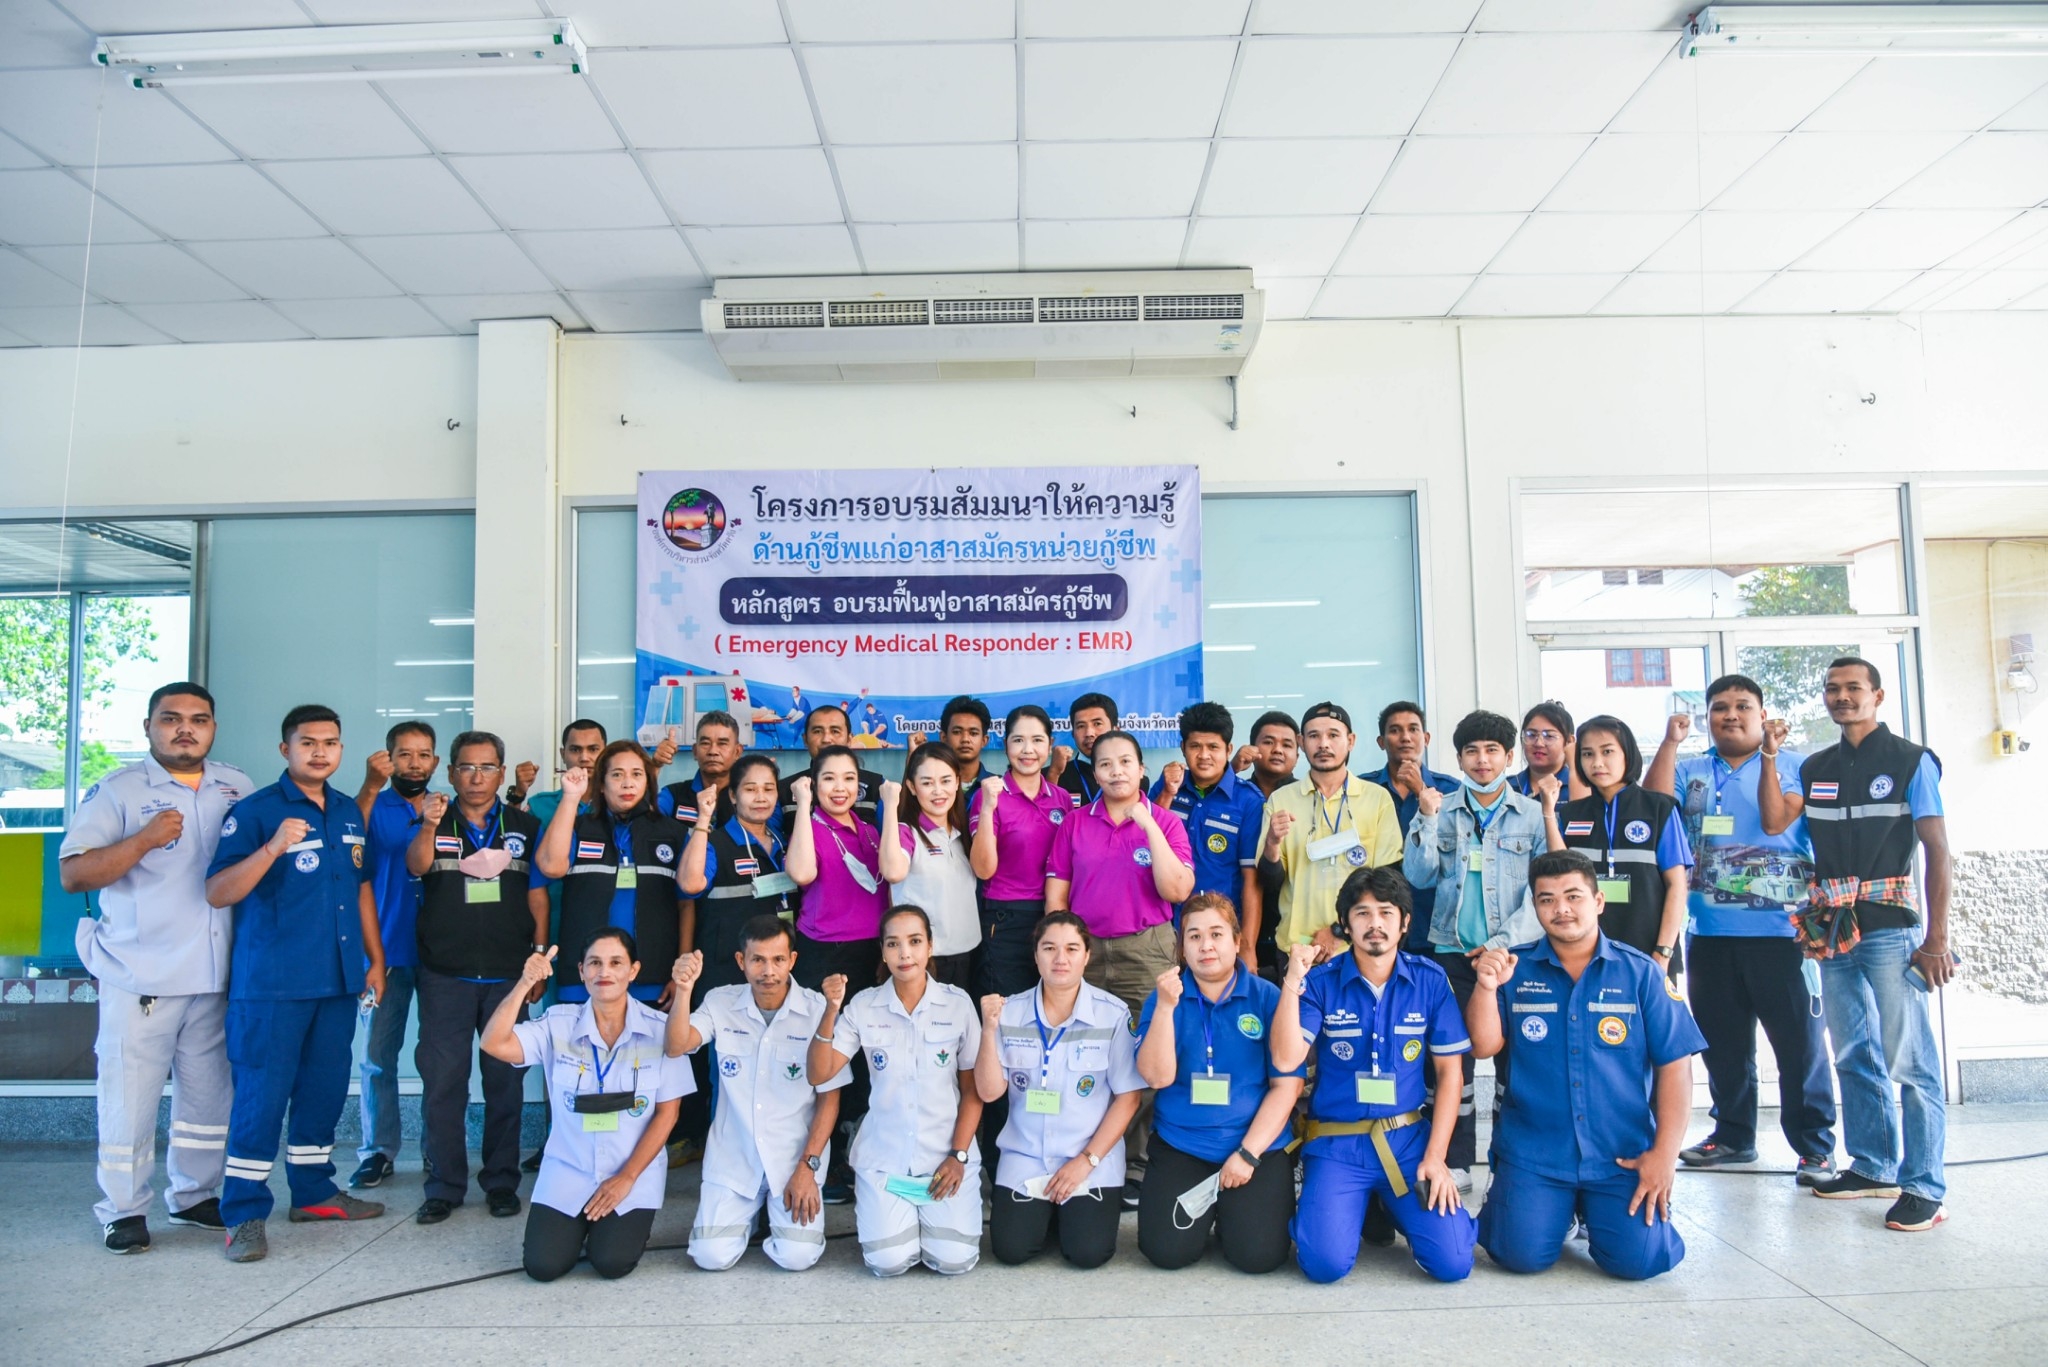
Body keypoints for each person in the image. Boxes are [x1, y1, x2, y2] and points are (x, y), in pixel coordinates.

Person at [61, 682, 252, 1253]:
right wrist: (144, 840)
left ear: (213, 727)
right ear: (149, 726)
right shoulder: (118, 790)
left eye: (199, 718)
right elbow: (75, 874)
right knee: (130, 1099)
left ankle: (194, 1195)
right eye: (171, 719)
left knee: (209, 1098)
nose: (185, 728)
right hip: (140, 974)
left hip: (215, 974)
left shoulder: (235, 786)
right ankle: (122, 1209)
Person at [205, 704, 390, 1262]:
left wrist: (374, 959)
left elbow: (360, 888)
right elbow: (218, 891)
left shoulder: (347, 811)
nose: (319, 752)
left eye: (329, 743)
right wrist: (272, 848)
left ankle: (313, 1193)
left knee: (323, 1092)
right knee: (261, 1100)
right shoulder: (257, 812)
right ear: (285, 749)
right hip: (272, 986)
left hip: (337, 981)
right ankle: (243, 1214)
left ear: (341, 750)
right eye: (307, 742)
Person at [1467, 850, 1705, 1282]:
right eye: (1547, 900)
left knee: (1641, 1261)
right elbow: (1484, 1047)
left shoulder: (1641, 974)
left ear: (1598, 901)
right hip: (1537, 1153)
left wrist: (1664, 1157)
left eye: (1573, 896)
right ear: (1535, 907)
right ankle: (1556, 1210)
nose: (1561, 909)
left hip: (1620, 1154)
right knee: (1518, 1254)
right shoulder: (1514, 969)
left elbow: (1675, 1067)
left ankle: (1594, 1210)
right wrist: (1485, 987)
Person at [1644, 677, 1837, 1183]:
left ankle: (1815, 1148)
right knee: (1723, 1047)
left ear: (1761, 713)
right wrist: (1670, 743)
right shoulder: (1691, 769)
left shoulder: (1795, 766)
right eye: (1719, 707)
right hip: (1709, 933)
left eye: (1742, 706)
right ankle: (1732, 1136)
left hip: (1785, 936)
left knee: (1799, 1048)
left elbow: (1794, 828)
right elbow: (1653, 806)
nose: (1730, 714)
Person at [1797, 657, 1952, 1232]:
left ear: (1878, 696)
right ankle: (1872, 1165)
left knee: (1910, 1061)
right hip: (1833, 930)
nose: (1842, 696)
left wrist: (1936, 938)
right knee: (1852, 1053)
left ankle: (1924, 1186)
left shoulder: (1912, 760)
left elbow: (1939, 850)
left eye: (1853, 688)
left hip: (1891, 928)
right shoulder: (1815, 767)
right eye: (1832, 688)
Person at [1272, 869, 1475, 1283]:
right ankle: (1348, 1207)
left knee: (1453, 1263)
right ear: (1345, 925)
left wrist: (1437, 1158)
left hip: (1407, 1143)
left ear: (1404, 923)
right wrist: (1292, 983)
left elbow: (1450, 1073)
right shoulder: (1321, 983)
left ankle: (1389, 1208)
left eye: (1386, 912)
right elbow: (1286, 1056)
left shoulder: (1430, 980)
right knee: (1324, 1265)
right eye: (1362, 913)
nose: (1375, 923)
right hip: (1337, 1144)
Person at [482, 930, 691, 1281]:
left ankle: (610, 1228)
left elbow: (668, 1114)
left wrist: (626, 1177)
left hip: (631, 1171)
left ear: (633, 970)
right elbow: (493, 1043)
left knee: (611, 1262)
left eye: (615, 963)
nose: (604, 972)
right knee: (543, 1266)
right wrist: (524, 984)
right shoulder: (558, 1023)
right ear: (581, 971)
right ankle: (577, 1227)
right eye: (594, 963)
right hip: (569, 1168)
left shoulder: (661, 1030)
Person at [404, 730, 547, 1226]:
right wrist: (428, 825)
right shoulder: (434, 818)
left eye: (487, 767)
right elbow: (416, 866)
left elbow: (537, 896)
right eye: (466, 767)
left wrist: (537, 960)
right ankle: (443, 1185)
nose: (476, 777)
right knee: (444, 1084)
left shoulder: (525, 825)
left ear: (502, 774)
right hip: (446, 974)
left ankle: (502, 1182)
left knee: (505, 1083)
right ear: (450, 772)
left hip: (509, 976)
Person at [1046, 728, 1194, 1204]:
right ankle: (1084, 1154)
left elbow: (1178, 891)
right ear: (1094, 772)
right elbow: (1056, 897)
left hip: (1146, 950)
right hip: (1085, 951)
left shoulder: (1166, 822)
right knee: (1083, 1053)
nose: (1115, 772)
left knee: (1145, 1054)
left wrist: (1148, 824)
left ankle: (1136, 1162)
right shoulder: (1074, 824)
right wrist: (1061, 950)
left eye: (1125, 762)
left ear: (1141, 768)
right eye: (1105, 764)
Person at [1402, 709, 1546, 1188]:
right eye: (1471, 751)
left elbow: (1542, 894)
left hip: (1515, 956)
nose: (1482, 760)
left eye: (1492, 751)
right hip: (1452, 953)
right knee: (1451, 1061)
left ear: (1509, 756)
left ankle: (1512, 1162)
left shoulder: (1532, 814)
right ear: (1459, 758)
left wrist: (1499, 944)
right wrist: (1425, 817)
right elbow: (1419, 876)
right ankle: (1455, 1159)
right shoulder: (1440, 808)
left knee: (1517, 1064)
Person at [810, 906, 985, 1277]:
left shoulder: (957, 1004)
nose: (905, 953)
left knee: (954, 1260)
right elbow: (818, 1073)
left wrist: (958, 1155)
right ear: (883, 951)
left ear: (930, 947)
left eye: (915, 941)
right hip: (885, 1161)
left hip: (946, 1158)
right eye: (893, 944)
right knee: (887, 1261)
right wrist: (830, 1011)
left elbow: (973, 1093)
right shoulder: (863, 1006)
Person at [667, 917, 848, 1271]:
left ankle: (770, 1213)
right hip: (734, 1159)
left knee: (797, 1257)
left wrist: (808, 1167)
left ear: (792, 960)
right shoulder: (720, 1002)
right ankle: (754, 1215)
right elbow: (676, 1046)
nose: (768, 971)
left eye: (778, 960)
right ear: (741, 961)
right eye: (758, 960)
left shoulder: (817, 1009)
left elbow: (830, 1098)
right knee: (710, 1256)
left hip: (793, 1160)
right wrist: (684, 990)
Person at [1134, 894, 1303, 1274]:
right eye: (1194, 937)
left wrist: (1247, 1154)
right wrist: (1165, 1009)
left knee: (1259, 1258)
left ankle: (1232, 1214)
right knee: (1165, 1253)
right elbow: (1156, 1077)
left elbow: (1287, 1086)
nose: (1205, 946)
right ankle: (1217, 1211)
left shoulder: (1267, 997)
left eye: (1216, 934)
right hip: (1183, 1144)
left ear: (1237, 941)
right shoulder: (1164, 997)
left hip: (1255, 1147)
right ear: (1182, 947)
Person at [975, 913, 1144, 1269]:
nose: (1060, 958)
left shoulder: (1112, 1015)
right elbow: (989, 1093)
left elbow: (1129, 1098)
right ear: (1035, 955)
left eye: (1071, 948)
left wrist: (1086, 1161)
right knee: (1011, 1250)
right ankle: (1048, 1215)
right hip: (1025, 1156)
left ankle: (1062, 1215)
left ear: (1087, 955)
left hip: (1089, 1157)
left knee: (1088, 1253)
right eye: (1049, 948)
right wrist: (989, 1031)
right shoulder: (1009, 1012)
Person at [346, 720, 438, 1190]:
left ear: (436, 761)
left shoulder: (447, 808)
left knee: (439, 1060)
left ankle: (437, 1151)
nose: (414, 763)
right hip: (383, 950)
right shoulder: (369, 805)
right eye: (405, 754)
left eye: (423, 755)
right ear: (388, 758)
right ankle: (377, 1151)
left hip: (440, 953)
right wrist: (369, 786)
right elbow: (348, 845)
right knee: (378, 1056)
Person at [536, 742, 688, 1008]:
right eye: (617, 775)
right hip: (583, 978)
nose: (627, 783)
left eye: (637, 774)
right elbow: (551, 866)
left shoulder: (673, 833)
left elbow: (686, 904)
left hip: (653, 977)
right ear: (601, 784)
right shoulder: (578, 826)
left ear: (648, 782)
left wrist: (681, 972)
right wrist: (571, 797)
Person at [1256, 702, 1402, 963]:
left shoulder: (1377, 799)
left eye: (1333, 735)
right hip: (1297, 948)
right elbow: (1270, 883)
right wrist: (1272, 844)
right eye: (1314, 736)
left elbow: (1389, 881)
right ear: (1301, 742)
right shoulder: (1282, 800)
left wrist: (1338, 931)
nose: (1323, 744)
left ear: (1351, 741)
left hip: (1359, 946)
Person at [1547, 716, 1691, 973]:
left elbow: (1677, 885)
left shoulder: (1660, 808)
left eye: (1607, 752)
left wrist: (1663, 952)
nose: (1597, 762)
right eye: (1587, 754)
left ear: (1628, 754)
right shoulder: (1570, 815)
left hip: (1650, 955)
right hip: (1584, 956)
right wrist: (1548, 812)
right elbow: (1560, 877)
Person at [970, 704, 1080, 997]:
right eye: (1018, 740)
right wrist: (988, 808)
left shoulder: (1061, 799)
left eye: (1037, 740)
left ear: (1050, 744)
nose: (1027, 750)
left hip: (1055, 914)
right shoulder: (988, 795)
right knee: (1007, 1007)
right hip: (1006, 919)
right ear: (1005, 744)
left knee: (1052, 1003)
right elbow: (983, 869)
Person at [1152, 701, 1264, 964]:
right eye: (1195, 746)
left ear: (1228, 749)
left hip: (1217, 933)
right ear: (1183, 748)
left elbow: (1252, 880)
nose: (1204, 755)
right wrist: (1167, 792)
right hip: (1162, 928)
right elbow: (1142, 841)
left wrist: (1248, 946)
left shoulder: (1248, 801)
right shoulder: (1167, 786)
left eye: (1213, 747)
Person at [1358, 702, 1462, 956]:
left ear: (1426, 738)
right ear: (1381, 742)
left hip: (1433, 918)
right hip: (1376, 919)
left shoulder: (1451, 789)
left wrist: (1420, 790)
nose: (1405, 737)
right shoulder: (1363, 789)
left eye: (1413, 729)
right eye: (1395, 730)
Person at [881, 749, 978, 988]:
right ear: (912, 787)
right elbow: (893, 872)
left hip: (969, 956)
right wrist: (891, 805)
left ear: (957, 782)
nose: (938, 791)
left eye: (945, 781)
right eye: (927, 783)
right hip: (927, 961)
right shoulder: (906, 832)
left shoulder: (962, 833)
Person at [781, 706, 885, 827]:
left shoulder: (877, 786)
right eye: (817, 731)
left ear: (849, 739)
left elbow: (890, 833)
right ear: (805, 740)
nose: (826, 739)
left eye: (835, 731)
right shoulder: (784, 790)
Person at [505, 719, 607, 817]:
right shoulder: (540, 805)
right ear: (563, 755)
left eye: (593, 749)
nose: (584, 758)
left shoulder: (615, 802)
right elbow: (507, 829)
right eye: (575, 750)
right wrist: (518, 794)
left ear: (606, 754)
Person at [657, 710, 742, 825]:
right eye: (705, 743)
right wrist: (655, 766)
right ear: (695, 751)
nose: (713, 751)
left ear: (737, 752)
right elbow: (645, 822)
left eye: (722, 743)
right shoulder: (673, 794)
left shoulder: (748, 797)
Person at [1051, 691, 1118, 804]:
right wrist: (1053, 773)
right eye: (1081, 726)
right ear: (1073, 733)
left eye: (1097, 724)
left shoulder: (1136, 780)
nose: (1089, 733)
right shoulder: (1053, 776)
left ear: (1115, 731)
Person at [1510, 701, 1584, 801]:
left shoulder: (1581, 789)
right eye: (1531, 735)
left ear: (1569, 742)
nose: (1539, 743)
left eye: (1549, 736)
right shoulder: (1506, 788)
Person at [923, 694, 993, 783]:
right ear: (944, 737)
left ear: (984, 740)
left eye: (973, 733)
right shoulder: (929, 785)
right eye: (957, 732)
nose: (965, 739)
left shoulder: (1000, 787)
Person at [1233, 709, 1299, 801]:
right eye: (1268, 742)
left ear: (1297, 757)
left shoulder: (1310, 798)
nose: (1277, 750)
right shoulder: (1234, 794)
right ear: (1252, 749)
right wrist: (1232, 769)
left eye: (1286, 745)